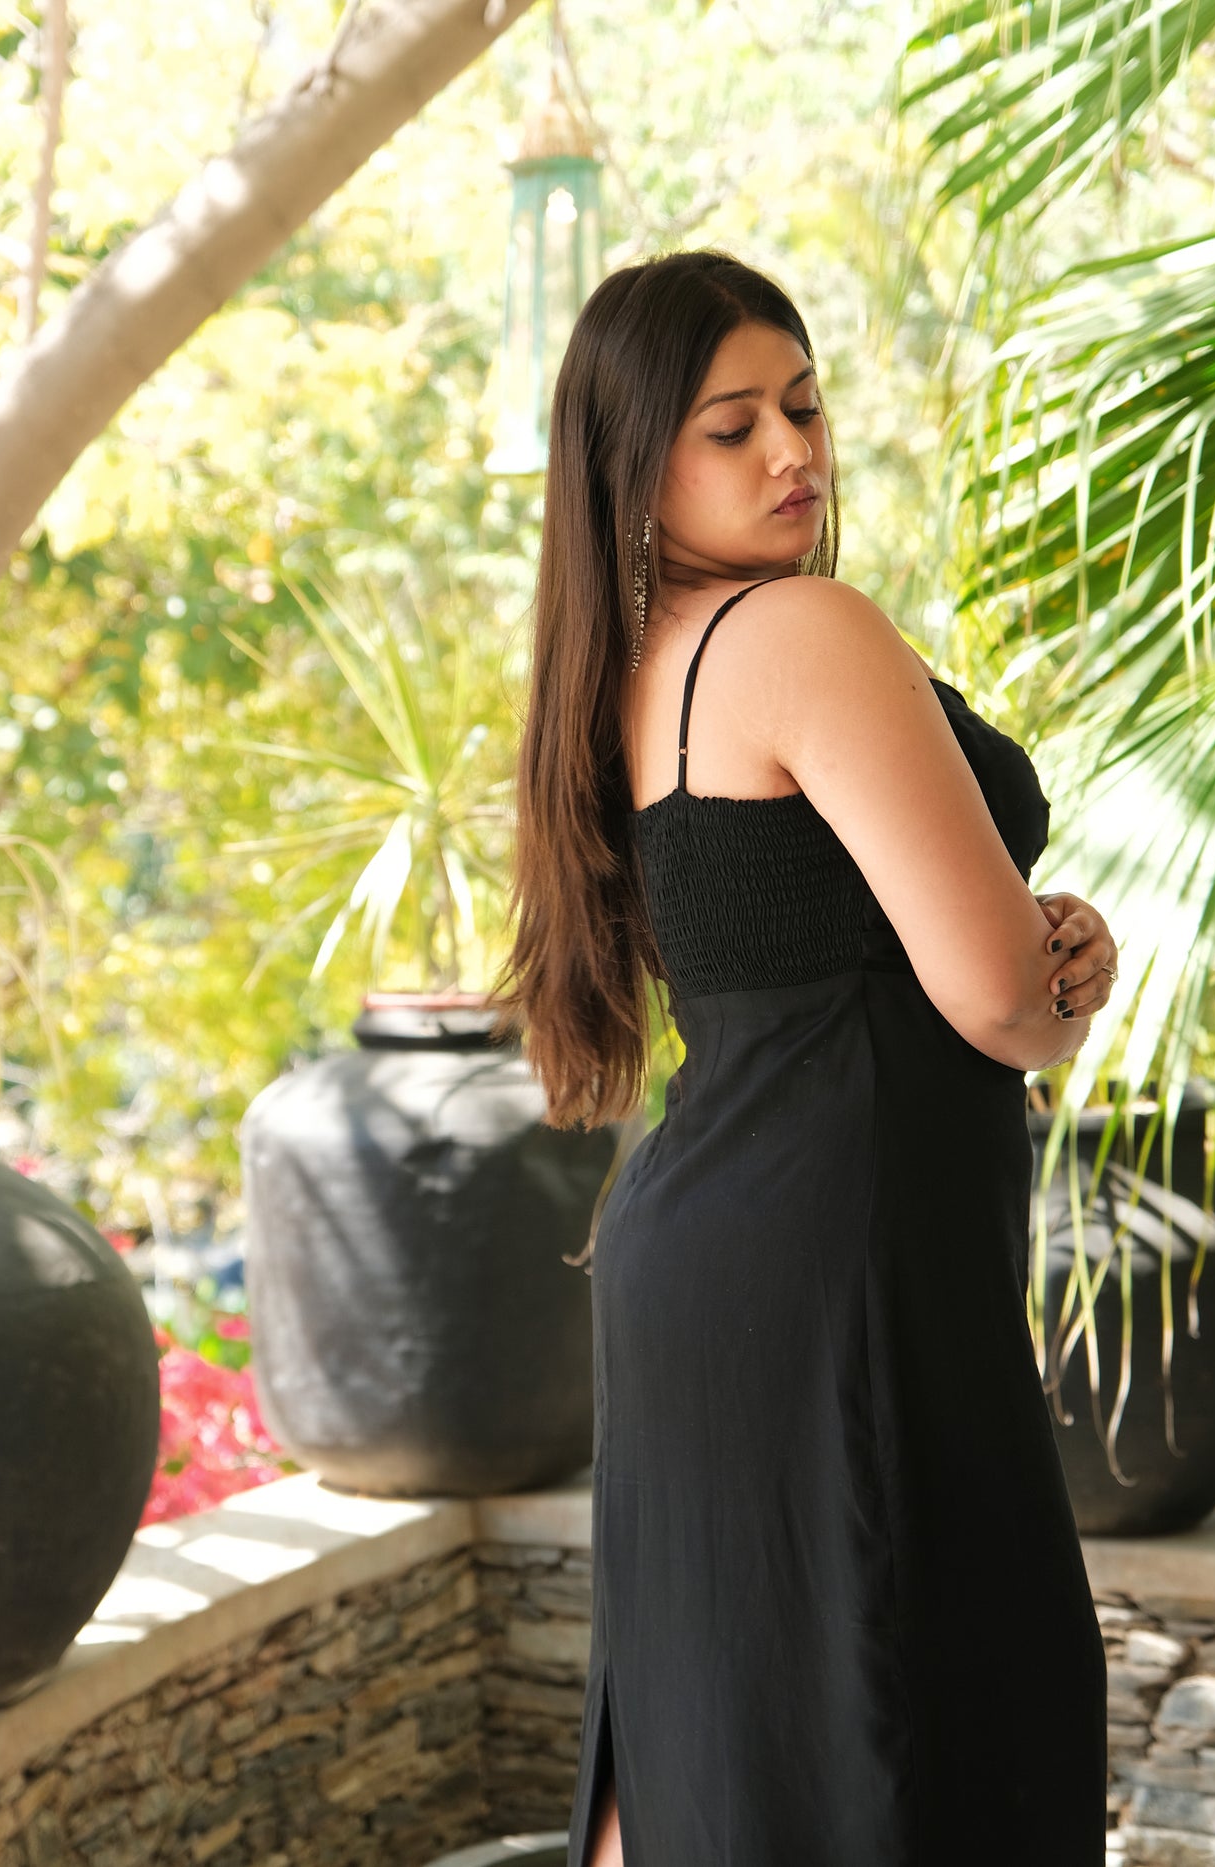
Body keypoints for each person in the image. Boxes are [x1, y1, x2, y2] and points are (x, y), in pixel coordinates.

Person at [497, 250, 1115, 1867]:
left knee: (725, 1748)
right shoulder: (802, 630)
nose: (791, 451)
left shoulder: (630, 667)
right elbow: (994, 997)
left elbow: (825, 943)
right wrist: (1059, 994)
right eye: (732, 427)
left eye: (805, 406)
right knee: (915, 1730)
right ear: (636, 465)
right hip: (842, 1262)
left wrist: (1029, 956)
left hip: (731, 1258)